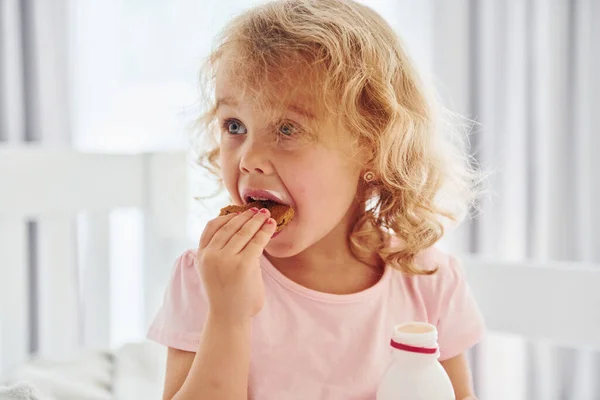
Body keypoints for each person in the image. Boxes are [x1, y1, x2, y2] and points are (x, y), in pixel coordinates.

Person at [148, 1, 485, 399]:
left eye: (287, 129)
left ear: (372, 147)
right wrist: (229, 317)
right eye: (234, 125)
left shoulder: (428, 282)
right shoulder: (208, 278)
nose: (250, 160)